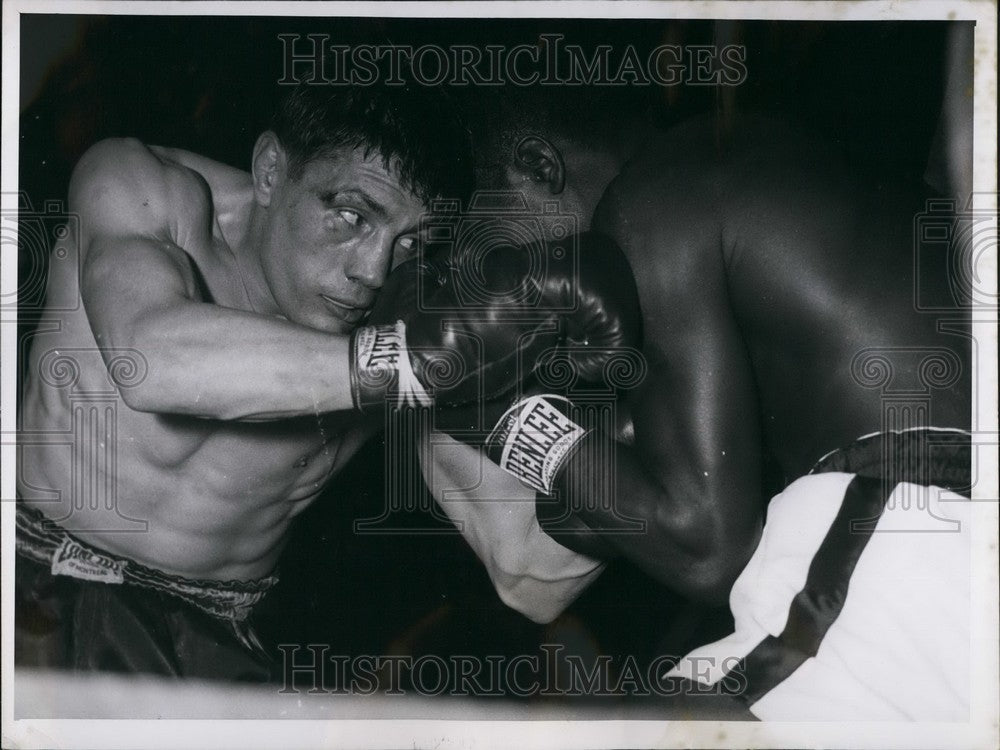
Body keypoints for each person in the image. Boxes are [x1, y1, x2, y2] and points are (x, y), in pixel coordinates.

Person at [16, 77, 638, 681]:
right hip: (32, 578)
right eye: (350, 215)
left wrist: (635, 429)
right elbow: (147, 360)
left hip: (212, 636)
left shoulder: (408, 315)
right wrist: (401, 363)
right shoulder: (145, 190)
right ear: (269, 170)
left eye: (408, 242)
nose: (371, 269)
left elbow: (527, 572)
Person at [420, 85, 973, 719]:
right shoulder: (760, 166)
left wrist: (498, 419)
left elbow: (705, 547)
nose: (503, 295)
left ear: (540, 169)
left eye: (489, 255)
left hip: (915, 515)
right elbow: (610, 521)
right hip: (938, 526)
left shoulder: (651, 201)